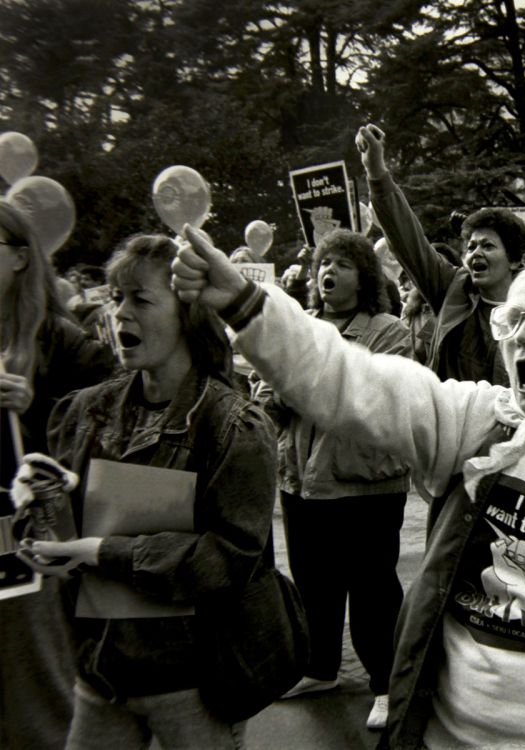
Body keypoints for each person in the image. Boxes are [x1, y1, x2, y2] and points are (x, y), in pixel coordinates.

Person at [171, 228, 525, 749]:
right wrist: (246, 303)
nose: (522, 337)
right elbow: (353, 383)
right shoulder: (481, 422)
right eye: (511, 322)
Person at [17, 234, 277, 749]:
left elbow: (229, 558)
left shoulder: (232, 424)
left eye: (139, 299)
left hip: (193, 682)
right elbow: (70, 535)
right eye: (115, 298)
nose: (119, 314)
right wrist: (46, 499)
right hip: (101, 673)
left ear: (189, 314)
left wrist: (103, 551)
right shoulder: (83, 410)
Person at [255, 229, 410, 731]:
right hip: (301, 481)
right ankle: (320, 668)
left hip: (365, 484)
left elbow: (371, 396)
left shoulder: (389, 330)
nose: (329, 271)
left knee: (372, 589)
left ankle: (386, 683)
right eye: (324, 262)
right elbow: (269, 400)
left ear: (364, 275)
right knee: (313, 585)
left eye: (342, 263)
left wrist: (297, 379)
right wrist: (275, 389)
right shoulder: (299, 326)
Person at [0, 200, 114, 750]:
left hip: (31, 546)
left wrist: (37, 408)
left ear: (21, 258)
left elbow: (115, 417)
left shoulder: (59, 340)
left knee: (39, 687)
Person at [359, 123, 525, 385]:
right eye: (471, 246)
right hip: (453, 423)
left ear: (515, 259)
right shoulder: (452, 288)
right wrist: (376, 170)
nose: (475, 254)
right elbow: (408, 239)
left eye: (488, 246)